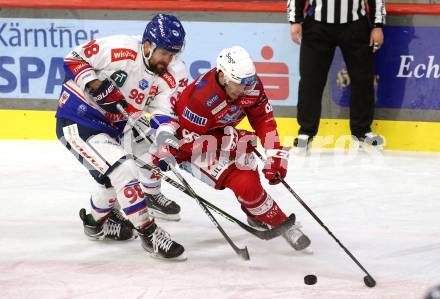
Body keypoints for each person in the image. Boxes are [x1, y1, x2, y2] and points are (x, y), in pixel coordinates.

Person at [55, 13, 188, 260]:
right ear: (148, 46)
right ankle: (150, 234)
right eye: (163, 53)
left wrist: (166, 138)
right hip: (79, 118)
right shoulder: (121, 49)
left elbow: (162, 112)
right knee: (123, 169)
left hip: (117, 127)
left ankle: (95, 224)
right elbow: (73, 58)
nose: (167, 60)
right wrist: (95, 85)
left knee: (112, 183)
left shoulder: (171, 74)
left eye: (173, 54)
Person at [157, 46, 311, 251]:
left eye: (249, 81)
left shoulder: (250, 85)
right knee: (245, 184)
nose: (246, 88)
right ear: (222, 75)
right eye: (240, 83)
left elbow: (263, 119)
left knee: (249, 181)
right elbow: (189, 141)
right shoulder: (200, 99)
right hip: (186, 148)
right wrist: (231, 137)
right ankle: (278, 221)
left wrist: (274, 152)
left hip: (221, 136)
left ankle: (256, 213)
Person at [288, 0, 386, 149]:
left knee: (363, 79)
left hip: (355, 24)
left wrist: (377, 26)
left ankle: (362, 131)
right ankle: (306, 132)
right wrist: (295, 21)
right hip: (317, 24)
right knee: (310, 80)